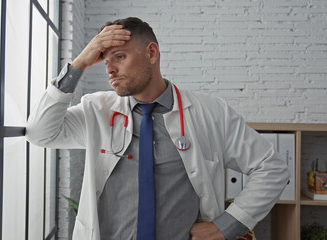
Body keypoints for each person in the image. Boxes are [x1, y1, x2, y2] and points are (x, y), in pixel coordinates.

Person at [26, 17, 289, 240]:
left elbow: (272, 168)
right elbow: (40, 133)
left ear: (152, 53)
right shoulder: (96, 110)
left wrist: (227, 226)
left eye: (119, 56)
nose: (110, 70)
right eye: (105, 60)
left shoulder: (211, 113)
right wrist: (80, 62)